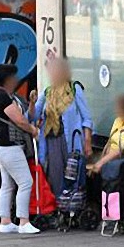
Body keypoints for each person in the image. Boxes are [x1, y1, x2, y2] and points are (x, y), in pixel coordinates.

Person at [0, 64, 41, 234]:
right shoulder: (2, 97)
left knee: (8, 184)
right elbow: (19, 120)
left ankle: (5, 221)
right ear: (8, 79)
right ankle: (23, 221)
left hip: (1, 145)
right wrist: (33, 130)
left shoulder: (1, 95)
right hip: (9, 146)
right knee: (25, 182)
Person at [32, 58, 93, 195]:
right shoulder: (47, 92)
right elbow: (33, 116)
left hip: (72, 140)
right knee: (55, 174)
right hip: (52, 140)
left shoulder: (74, 88)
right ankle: (60, 206)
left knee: (74, 173)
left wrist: (87, 142)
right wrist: (31, 103)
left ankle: (74, 206)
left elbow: (87, 118)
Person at [91, 94, 124, 173]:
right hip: (108, 160)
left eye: (119, 107)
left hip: (121, 163)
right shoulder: (118, 120)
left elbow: (121, 149)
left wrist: (100, 163)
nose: (116, 110)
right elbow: (109, 143)